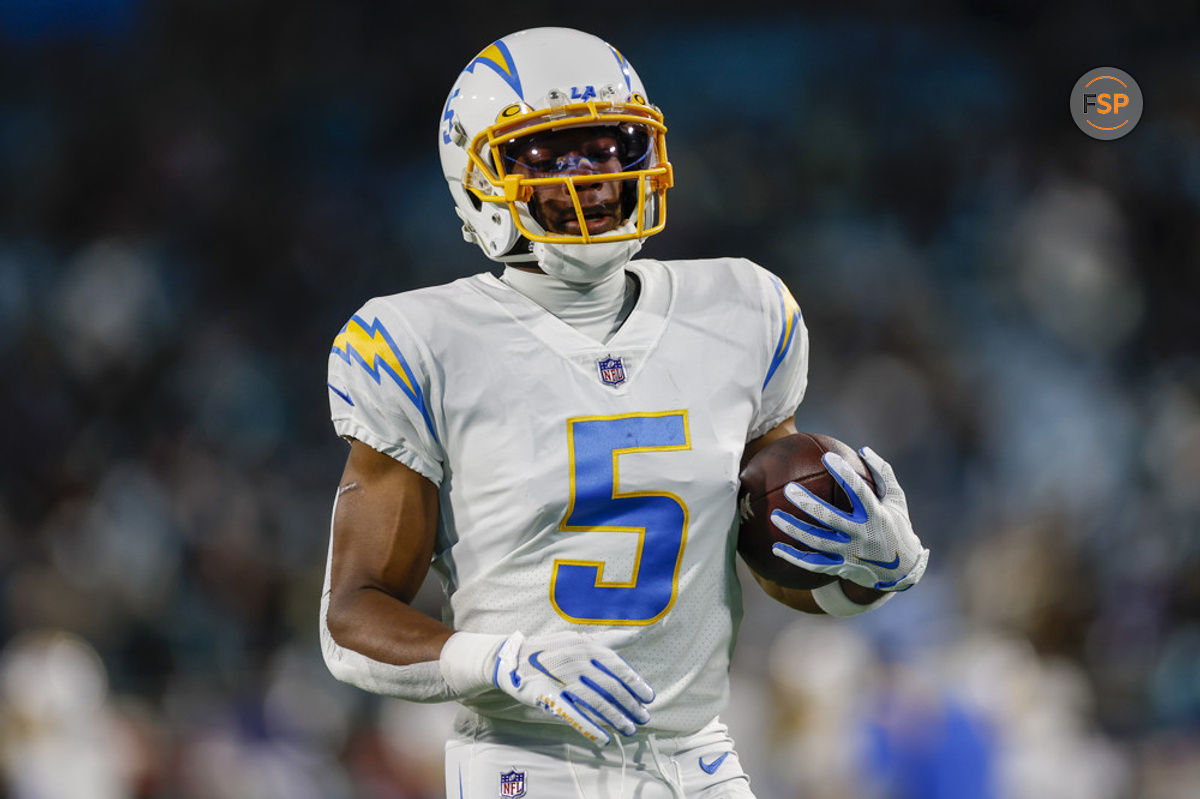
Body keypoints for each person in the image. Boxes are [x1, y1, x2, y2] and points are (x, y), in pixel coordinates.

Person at [320, 26, 929, 798]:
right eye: (550, 155)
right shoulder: (417, 342)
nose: (593, 177)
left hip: (701, 761)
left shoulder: (745, 309)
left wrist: (865, 570)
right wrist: (500, 659)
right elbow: (351, 623)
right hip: (528, 765)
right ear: (477, 172)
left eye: (608, 147)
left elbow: (769, 560)